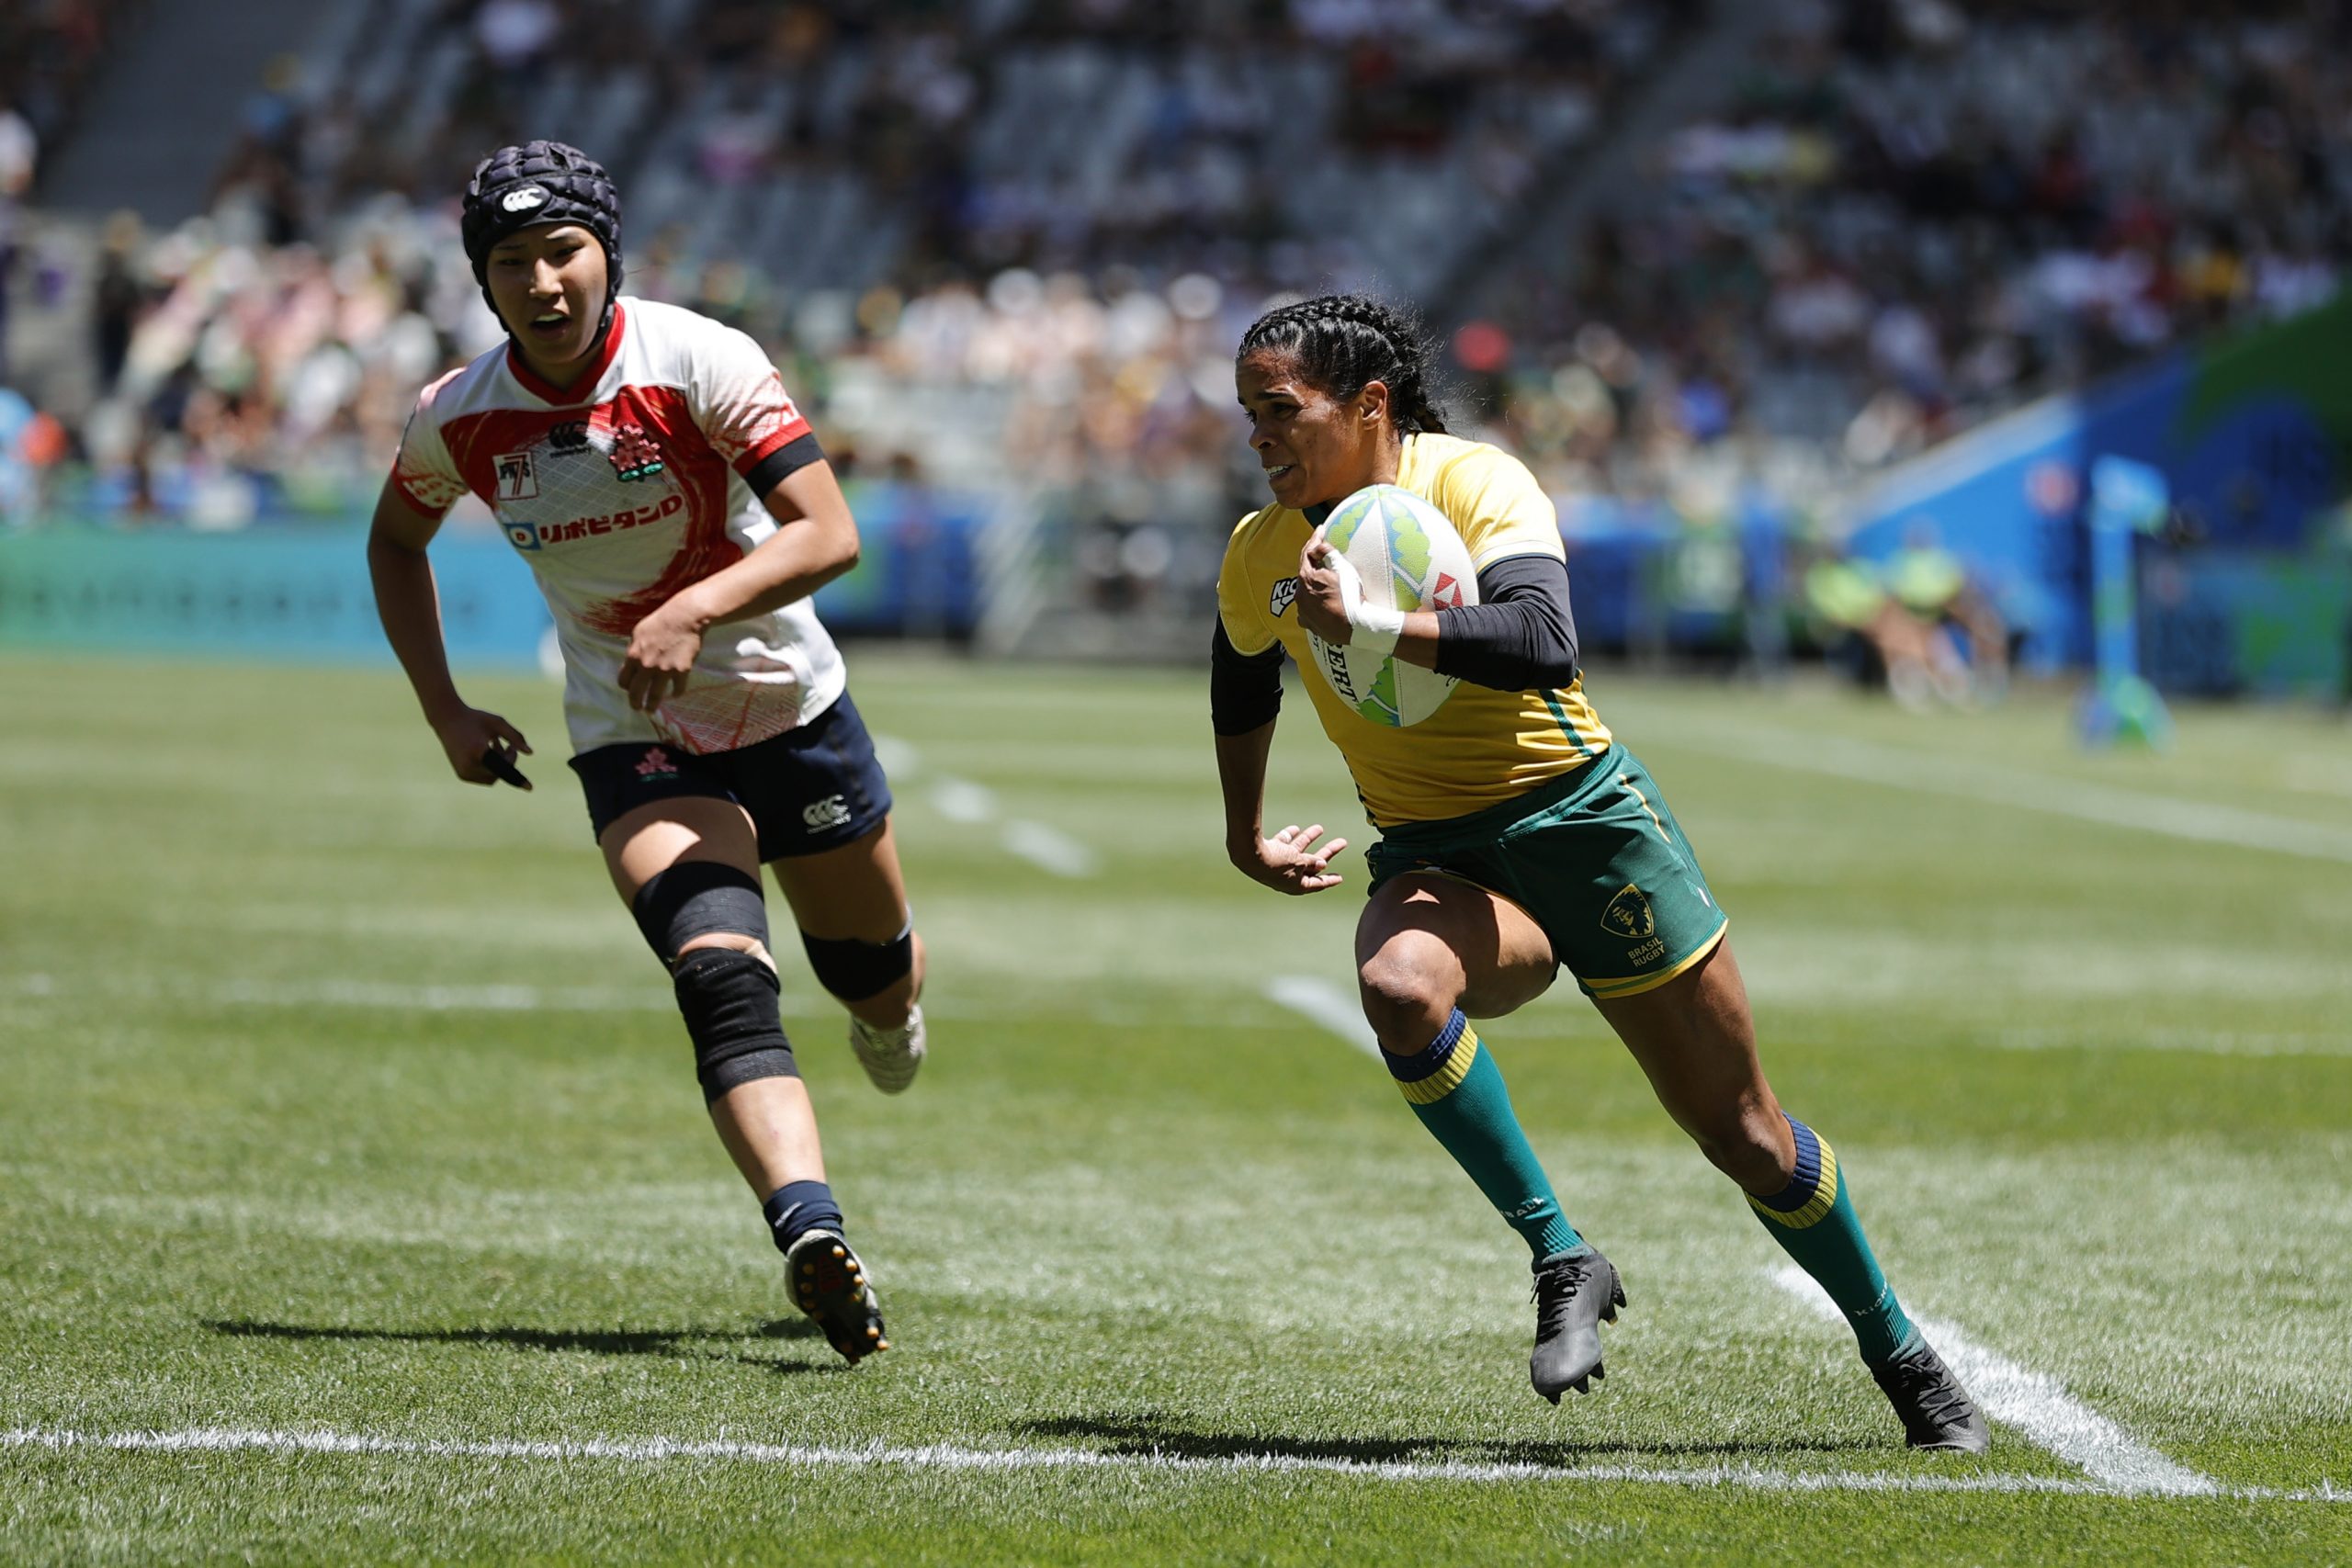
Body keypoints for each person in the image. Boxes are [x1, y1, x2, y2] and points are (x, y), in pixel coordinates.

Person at [1210, 293, 1988, 1450]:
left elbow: (1543, 640)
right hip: (1441, 856)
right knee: (1397, 986)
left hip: (1586, 826)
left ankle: (1902, 1355)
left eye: (1281, 411)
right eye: (1247, 416)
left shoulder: (1476, 484)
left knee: (1745, 1136)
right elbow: (1242, 674)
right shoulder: (1262, 550)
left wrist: (1374, 623)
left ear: (1367, 404)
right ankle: (1561, 1252)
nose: (1259, 437)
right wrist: (1245, 830)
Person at [367, 142, 926, 1365]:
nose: (543, 281)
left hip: (789, 704)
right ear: (483, 280)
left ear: (608, 252)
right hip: (635, 732)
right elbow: (396, 546)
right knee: (720, 970)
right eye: (510, 262)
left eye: (563, 250)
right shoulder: (456, 416)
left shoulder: (699, 359)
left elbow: (830, 532)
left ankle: (891, 1003)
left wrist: (693, 611)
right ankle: (810, 1226)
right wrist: (444, 709)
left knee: (872, 982)